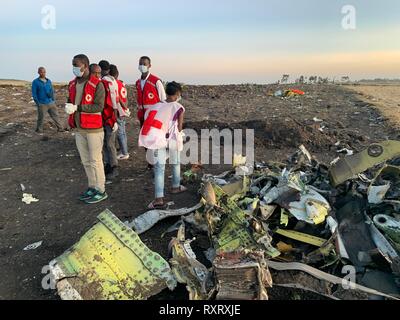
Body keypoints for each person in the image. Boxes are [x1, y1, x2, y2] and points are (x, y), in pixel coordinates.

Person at [65, 54, 108, 204]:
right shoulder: (72, 84)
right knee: (85, 161)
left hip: (94, 129)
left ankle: (101, 189)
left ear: (85, 65)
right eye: (73, 65)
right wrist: (69, 106)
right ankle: (92, 186)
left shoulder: (98, 84)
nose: (74, 68)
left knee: (96, 160)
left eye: (76, 65)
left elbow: (99, 106)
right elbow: (70, 100)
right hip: (79, 128)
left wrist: (77, 107)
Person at [138, 81, 186, 209]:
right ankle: (176, 187)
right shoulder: (178, 107)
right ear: (177, 94)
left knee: (159, 168)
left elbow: (148, 121)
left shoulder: (154, 106)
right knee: (175, 163)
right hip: (172, 139)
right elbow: (180, 127)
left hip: (157, 139)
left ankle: (158, 198)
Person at [136, 56, 166, 169]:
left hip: (154, 117)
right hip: (142, 117)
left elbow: (163, 100)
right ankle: (150, 162)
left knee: (154, 139)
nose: (142, 66)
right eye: (140, 63)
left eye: (144, 64)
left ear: (149, 66)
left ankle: (157, 162)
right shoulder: (138, 83)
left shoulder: (156, 81)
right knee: (145, 140)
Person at [99, 60, 119, 180]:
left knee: (109, 143)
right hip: (110, 115)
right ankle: (109, 164)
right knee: (107, 143)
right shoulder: (112, 81)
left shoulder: (105, 82)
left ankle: (113, 166)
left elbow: (112, 101)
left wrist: (114, 117)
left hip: (109, 115)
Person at [31, 67, 64, 133]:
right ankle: (39, 130)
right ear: (38, 72)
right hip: (42, 103)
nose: (43, 73)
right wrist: (38, 103)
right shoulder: (35, 82)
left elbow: (52, 91)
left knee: (56, 116)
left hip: (51, 103)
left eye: (44, 72)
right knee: (41, 118)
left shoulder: (49, 81)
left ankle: (60, 128)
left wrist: (53, 100)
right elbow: (34, 93)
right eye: (41, 72)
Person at [109, 64, 130, 160]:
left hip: (118, 110)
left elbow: (116, 98)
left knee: (120, 133)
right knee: (123, 132)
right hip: (123, 111)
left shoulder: (113, 83)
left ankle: (125, 152)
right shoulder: (121, 84)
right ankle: (124, 150)